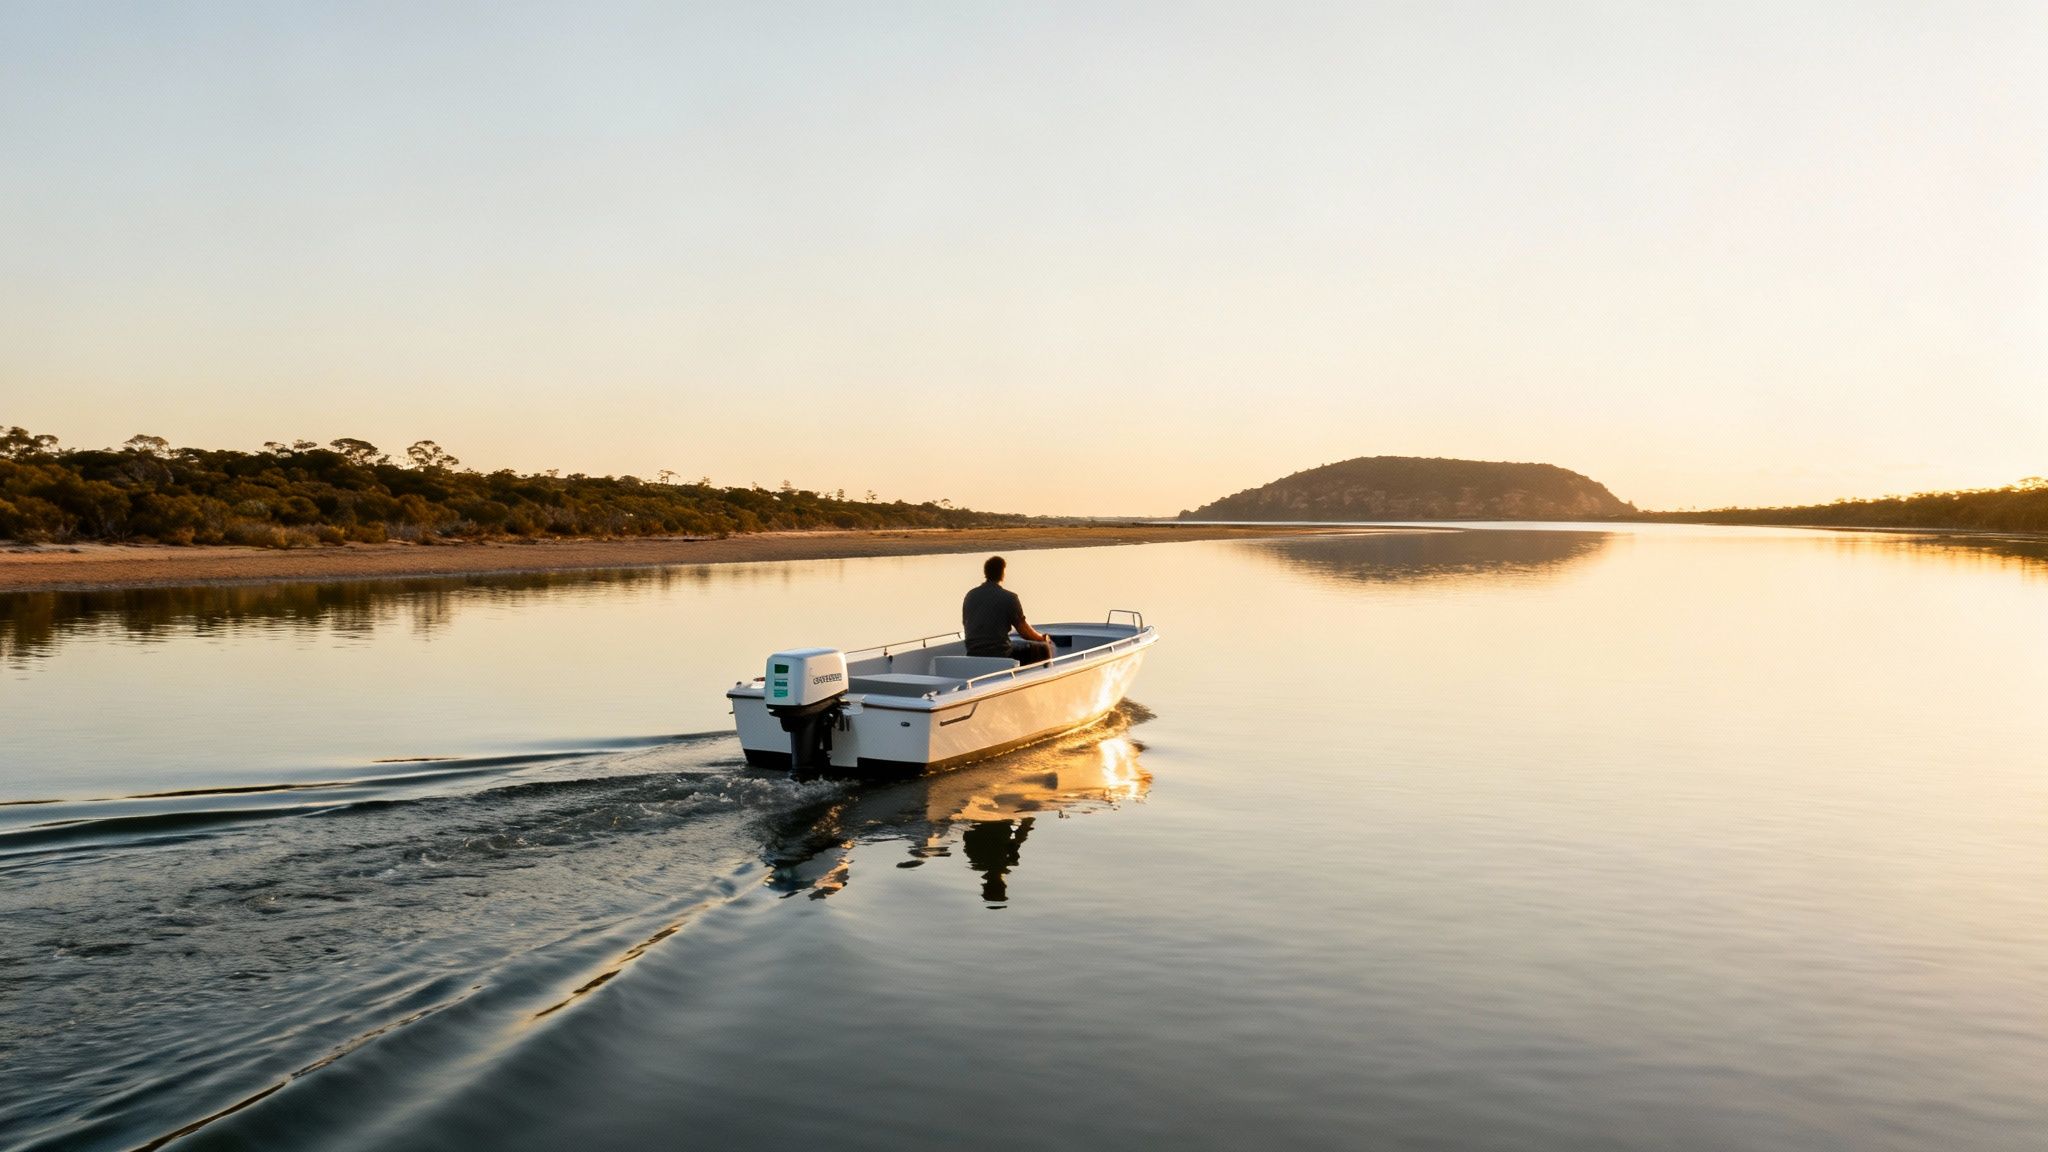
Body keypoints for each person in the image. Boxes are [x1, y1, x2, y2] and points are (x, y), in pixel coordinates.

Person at [962, 555, 1054, 664]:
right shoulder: (1009, 597)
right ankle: (1046, 676)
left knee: (1012, 644)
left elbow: (965, 623)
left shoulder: (970, 595)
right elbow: (1024, 632)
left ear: (986, 573)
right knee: (1043, 648)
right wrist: (1042, 638)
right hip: (1001, 655)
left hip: (974, 653)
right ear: (1002, 574)